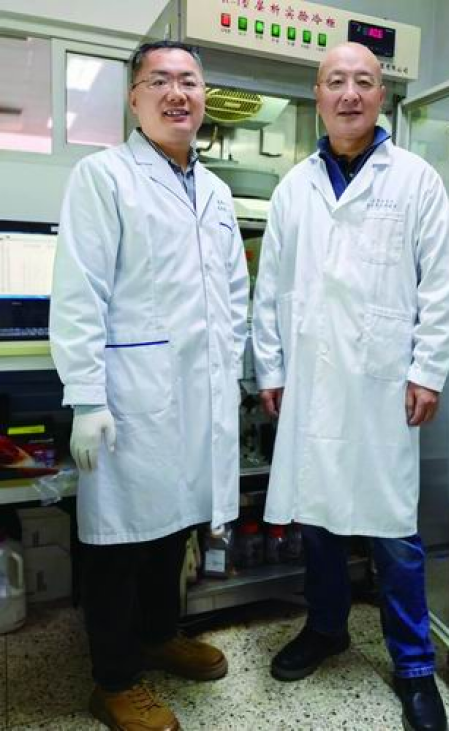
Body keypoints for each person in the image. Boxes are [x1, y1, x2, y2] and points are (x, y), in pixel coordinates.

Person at [252, 42, 449, 731]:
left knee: (393, 530)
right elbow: (270, 287)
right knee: (317, 518)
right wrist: (271, 368)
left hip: (382, 385)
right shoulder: (294, 187)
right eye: (336, 81)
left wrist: (427, 370)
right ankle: (327, 627)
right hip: (312, 382)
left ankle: (415, 667)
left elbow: (442, 283)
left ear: (381, 96)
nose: (349, 93)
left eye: (363, 81)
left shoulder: (416, 180)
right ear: (317, 95)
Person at [50, 40, 248, 731]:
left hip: (197, 394)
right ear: (134, 98)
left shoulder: (216, 192)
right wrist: (86, 398)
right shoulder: (104, 177)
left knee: (174, 526)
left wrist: (231, 370)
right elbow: (80, 294)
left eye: (189, 81)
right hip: (127, 395)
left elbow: (233, 294)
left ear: (204, 97)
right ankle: (113, 679)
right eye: (159, 81)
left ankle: (160, 635)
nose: (176, 93)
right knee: (118, 539)